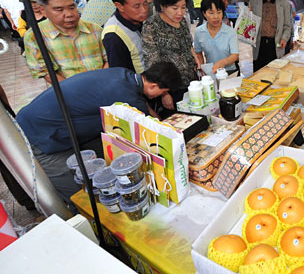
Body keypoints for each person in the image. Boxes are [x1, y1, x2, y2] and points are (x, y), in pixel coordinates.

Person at [15, 62, 181, 202]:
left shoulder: (123, 75)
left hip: (40, 120)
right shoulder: (126, 95)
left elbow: (144, 110)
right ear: (153, 86)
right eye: (164, 92)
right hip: (37, 135)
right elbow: (151, 129)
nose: (163, 96)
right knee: (81, 191)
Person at [24, 0, 107, 84]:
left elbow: (109, 58)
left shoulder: (95, 29)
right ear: (43, 11)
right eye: (59, 10)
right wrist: (74, 90)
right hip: (67, 92)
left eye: (72, 7)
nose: (69, 14)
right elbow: (44, 71)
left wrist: (102, 82)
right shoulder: (35, 36)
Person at [142, 0, 198, 109]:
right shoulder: (152, 26)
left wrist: (196, 62)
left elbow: (188, 45)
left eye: (183, 7)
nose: (180, 12)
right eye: (175, 8)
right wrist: (164, 94)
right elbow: (152, 62)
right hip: (169, 87)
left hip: (190, 82)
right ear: (162, 6)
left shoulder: (182, 22)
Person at [102, 0, 149, 73]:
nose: (144, 10)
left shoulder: (138, 20)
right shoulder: (113, 36)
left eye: (145, 3)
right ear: (119, 6)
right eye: (137, 6)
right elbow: (120, 75)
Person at [248, 0, 292, 71]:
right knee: (258, 74)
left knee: (275, 74)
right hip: (259, 46)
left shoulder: (284, 4)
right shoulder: (253, 1)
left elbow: (287, 26)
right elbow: (248, 24)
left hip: (276, 45)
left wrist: (284, 38)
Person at [194, 0, 239, 74]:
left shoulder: (230, 32)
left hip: (229, 71)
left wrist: (223, 62)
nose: (216, 17)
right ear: (204, 13)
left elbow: (235, 55)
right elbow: (198, 53)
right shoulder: (199, 31)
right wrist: (201, 69)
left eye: (219, 12)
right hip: (211, 72)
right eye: (211, 13)